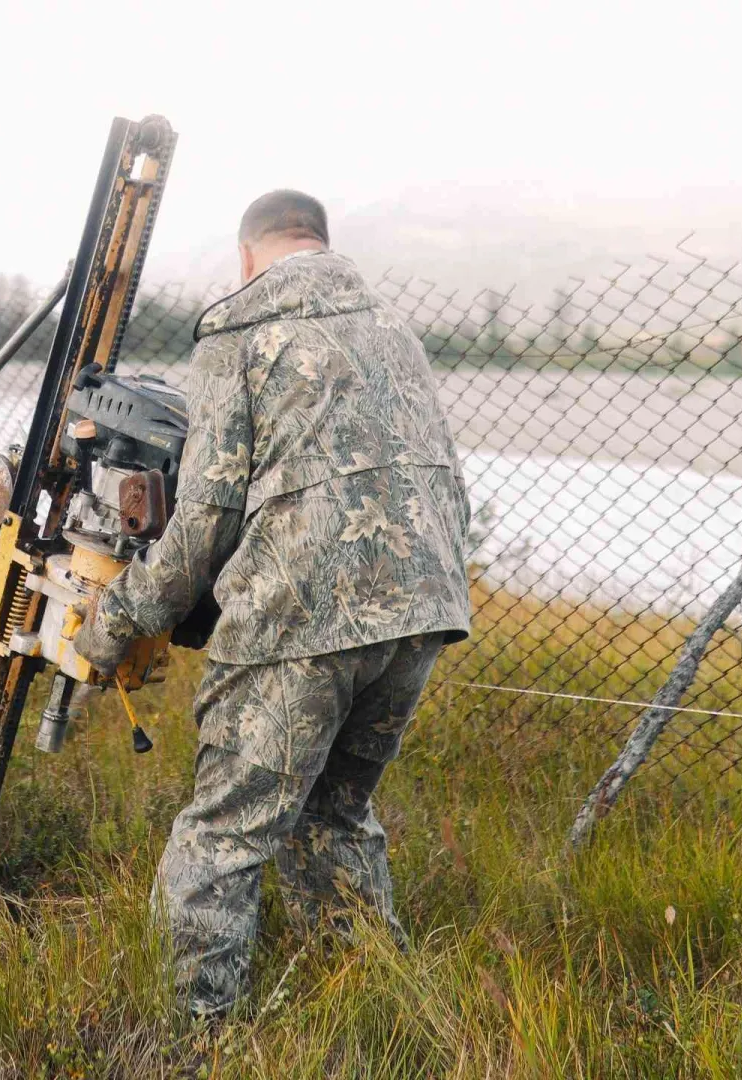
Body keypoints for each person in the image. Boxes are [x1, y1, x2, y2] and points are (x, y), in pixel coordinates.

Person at [74, 190, 474, 1019]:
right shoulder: (394, 328)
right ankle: (375, 1010)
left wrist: (118, 617)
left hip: (300, 614)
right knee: (337, 814)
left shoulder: (243, 332)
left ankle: (192, 1037)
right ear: (320, 242)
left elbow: (206, 515)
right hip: (424, 608)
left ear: (246, 253)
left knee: (224, 832)